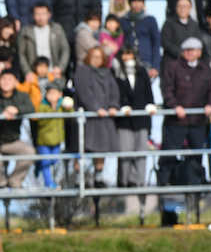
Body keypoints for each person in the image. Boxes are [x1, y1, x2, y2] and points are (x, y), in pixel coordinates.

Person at [158, 37, 211, 204]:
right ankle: (164, 182)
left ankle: (195, 183)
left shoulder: (205, 69)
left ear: (199, 52)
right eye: (187, 50)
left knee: (196, 154)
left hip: (197, 121)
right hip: (176, 121)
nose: (190, 53)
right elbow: (167, 89)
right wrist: (174, 106)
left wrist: (210, 104)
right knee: (169, 152)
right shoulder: (173, 67)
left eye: (193, 50)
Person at [0, 70, 35, 188]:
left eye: (10, 79)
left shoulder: (22, 96)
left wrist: (17, 109)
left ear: (15, 82)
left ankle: (15, 181)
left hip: (11, 140)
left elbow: (31, 108)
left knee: (29, 152)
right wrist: (1, 115)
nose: (6, 82)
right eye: (3, 79)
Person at [73, 46, 120, 186]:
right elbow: (83, 92)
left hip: (103, 116)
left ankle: (98, 175)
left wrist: (113, 106)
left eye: (99, 57)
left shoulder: (107, 73)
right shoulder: (82, 71)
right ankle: (78, 177)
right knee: (81, 146)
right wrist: (95, 108)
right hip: (87, 116)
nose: (96, 60)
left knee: (101, 146)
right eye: (93, 56)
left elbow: (114, 91)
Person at [114, 46, 156, 190]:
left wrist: (150, 104)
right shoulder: (116, 72)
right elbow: (115, 92)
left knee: (141, 151)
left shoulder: (142, 71)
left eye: (130, 54)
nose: (127, 58)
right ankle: (124, 181)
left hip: (141, 118)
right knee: (125, 151)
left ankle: (138, 181)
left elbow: (148, 91)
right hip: (124, 119)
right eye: (125, 55)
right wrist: (122, 106)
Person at [18, 2, 70, 77]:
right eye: (37, 14)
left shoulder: (57, 29)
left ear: (49, 15)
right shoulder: (26, 31)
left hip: (54, 73)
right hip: (33, 74)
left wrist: (60, 68)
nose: (40, 17)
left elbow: (65, 49)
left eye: (43, 14)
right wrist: (27, 72)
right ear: (33, 15)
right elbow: (21, 54)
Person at [119, 0, 161, 78]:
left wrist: (155, 66)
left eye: (140, 1)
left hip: (146, 62)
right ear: (130, 3)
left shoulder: (150, 20)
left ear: (143, 3)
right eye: (134, 1)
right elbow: (120, 41)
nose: (137, 4)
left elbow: (156, 44)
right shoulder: (123, 20)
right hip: (128, 61)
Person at [34, 79, 68, 188]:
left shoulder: (62, 106)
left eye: (55, 93)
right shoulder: (42, 106)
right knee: (47, 161)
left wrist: (69, 107)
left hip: (57, 140)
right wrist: (52, 109)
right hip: (44, 141)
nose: (52, 96)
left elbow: (71, 115)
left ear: (60, 94)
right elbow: (41, 121)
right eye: (50, 93)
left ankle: (38, 164)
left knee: (54, 160)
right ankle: (49, 183)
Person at [161, 0, 204, 75]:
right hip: (172, 62)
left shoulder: (194, 24)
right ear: (176, 8)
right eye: (180, 6)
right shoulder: (168, 23)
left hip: (191, 64)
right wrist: (182, 53)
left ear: (190, 8)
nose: (182, 9)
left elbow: (199, 42)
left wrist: (193, 54)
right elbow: (165, 42)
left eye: (185, 6)